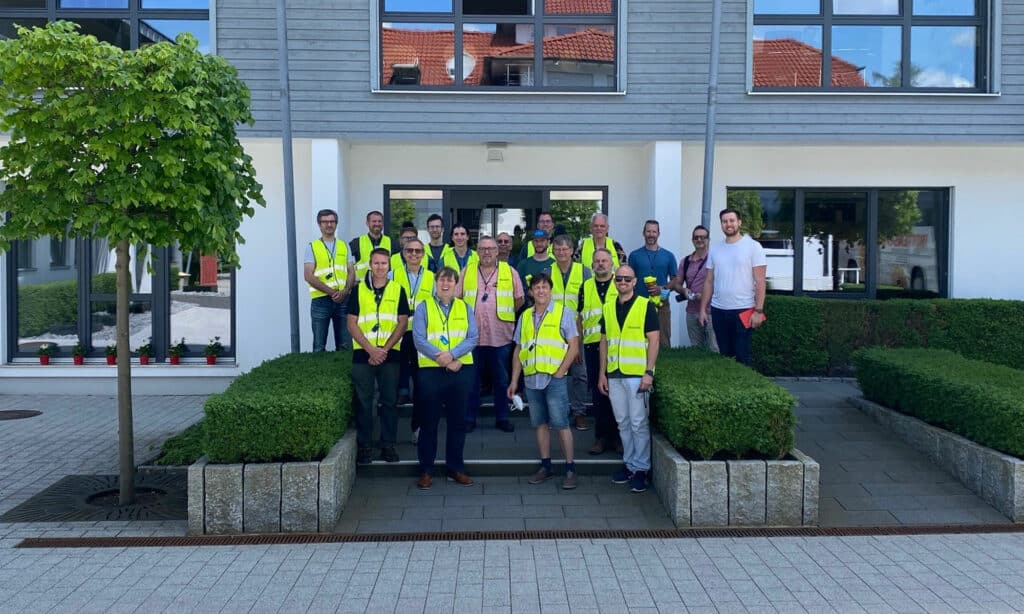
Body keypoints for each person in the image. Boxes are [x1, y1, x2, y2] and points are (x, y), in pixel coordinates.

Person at [508, 272, 580, 490]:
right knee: (539, 423)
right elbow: (518, 350)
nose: (540, 291)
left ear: (550, 290)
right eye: (536, 287)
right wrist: (514, 381)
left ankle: (570, 469)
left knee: (561, 423)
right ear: (531, 292)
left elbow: (573, 346)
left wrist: (561, 372)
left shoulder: (563, 312)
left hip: (554, 379)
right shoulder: (525, 316)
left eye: (544, 287)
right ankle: (546, 466)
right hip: (532, 380)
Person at [412, 266, 477, 489]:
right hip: (431, 372)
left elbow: (472, 337)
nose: (446, 284)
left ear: (456, 285)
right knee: (428, 423)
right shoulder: (423, 307)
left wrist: (453, 356)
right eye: (442, 280)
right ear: (436, 283)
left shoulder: (465, 307)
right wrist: (444, 358)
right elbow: (419, 339)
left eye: (450, 281)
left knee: (458, 423)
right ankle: (426, 470)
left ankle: (455, 468)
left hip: (460, 371)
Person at [598, 264, 659, 493]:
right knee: (623, 423)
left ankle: (641, 469)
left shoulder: (645, 306)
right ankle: (630, 464)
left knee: (638, 423)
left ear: (634, 282)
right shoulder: (608, 307)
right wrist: (601, 373)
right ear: (615, 281)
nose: (622, 282)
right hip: (614, 374)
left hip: (637, 376)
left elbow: (654, 340)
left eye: (627, 279)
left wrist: (649, 372)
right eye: (619, 279)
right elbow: (604, 341)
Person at [347, 248, 411, 465]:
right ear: (370, 265)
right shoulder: (358, 290)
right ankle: (365, 447)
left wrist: (383, 349)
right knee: (364, 403)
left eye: (384, 263)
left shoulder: (397, 289)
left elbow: (402, 322)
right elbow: (351, 323)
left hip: (390, 355)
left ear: (389, 266)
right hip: (362, 355)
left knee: (389, 402)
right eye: (376, 263)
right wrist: (371, 350)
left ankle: (388, 446)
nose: (380, 267)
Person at [458, 235, 525, 433]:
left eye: (490, 248)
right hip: (472, 337)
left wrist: (502, 313)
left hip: (501, 336)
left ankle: (502, 417)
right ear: (477, 251)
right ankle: (470, 418)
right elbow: (457, 298)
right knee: (472, 381)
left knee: (501, 380)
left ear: (497, 251)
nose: (486, 252)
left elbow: (519, 300)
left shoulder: (510, 271)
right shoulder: (467, 271)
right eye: (483, 248)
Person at [699, 209, 767, 366]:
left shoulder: (753, 247)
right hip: (718, 310)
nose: (728, 224)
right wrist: (703, 309)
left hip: (744, 310)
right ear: (721, 224)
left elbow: (760, 281)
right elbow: (709, 281)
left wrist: (759, 310)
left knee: (742, 356)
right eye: (724, 221)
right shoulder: (715, 249)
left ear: (739, 222)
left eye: (731, 220)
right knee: (725, 356)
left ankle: (744, 389)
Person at [578, 248, 621, 456]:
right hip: (592, 346)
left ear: (612, 263)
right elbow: (580, 317)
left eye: (605, 260)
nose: (601, 264)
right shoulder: (585, 286)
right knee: (598, 393)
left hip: (617, 346)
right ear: (592, 265)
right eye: (597, 261)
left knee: (617, 393)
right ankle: (601, 438)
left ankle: (618, 438)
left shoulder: (621, 283)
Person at [390, 237, 434, 440]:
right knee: (394, 379)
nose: (414, 255)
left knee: (421, 381)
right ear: (404, 253)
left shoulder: (432, 278)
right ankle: (390, 434)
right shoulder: (393, 275)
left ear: (423, 255)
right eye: (410, 251)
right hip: (397, 334)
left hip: (421, 335)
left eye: (418, 251)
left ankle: (418, 427)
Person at [549, 234, 591, 431]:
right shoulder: (547, 272)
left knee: (579, 373)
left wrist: (579, 340)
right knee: (554, 372)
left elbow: (585, 306)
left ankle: (579, 412)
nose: (561, 253)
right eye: (557, 250)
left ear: (572, 251)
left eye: (565, 249)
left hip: (576, 330)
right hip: (553, 332)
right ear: (553, 251)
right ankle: (557, 412)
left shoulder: (584, 272)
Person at [303, 208, 355, 352]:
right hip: (321, 299)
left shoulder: (344, 246)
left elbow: (351, 271)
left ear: (336, 224)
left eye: (332, 221)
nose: (329, 225)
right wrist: (332, 292)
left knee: (345, 345)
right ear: (319, 225)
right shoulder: (312, 247)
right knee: (319, 346)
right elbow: (308, 275)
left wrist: (345, 291)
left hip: (343, 299)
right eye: (325, 222)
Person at [627, 220, 677, 348]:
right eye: (648, 231)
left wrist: (662, 288)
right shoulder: (634, 255)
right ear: (643, 233)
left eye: (654, 231)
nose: (651, 234)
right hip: (639, 302)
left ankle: (666, 364)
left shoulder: (668, 256)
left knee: (663, 338)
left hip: (662, 302)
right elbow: (629, 279)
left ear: (658, 234)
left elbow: (675, 279)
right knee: (639, 337)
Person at [670, 225, 717, 351]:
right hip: (691, 312)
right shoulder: (685, 261)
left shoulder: (715, 259)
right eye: (696, 237)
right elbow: (676, 284)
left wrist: (705, 296)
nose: (699, 240)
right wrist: (684, 291)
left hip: (712, 311)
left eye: (703, 237)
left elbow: (721, 284)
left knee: (714, 349)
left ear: (708, 240)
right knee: (696, 351)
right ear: (692, 240)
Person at [350, 210, 392, 280]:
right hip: (362, 287)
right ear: (367, 223)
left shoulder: (392, 243)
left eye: (379, 221)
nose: (377, 224)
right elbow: (348, 266)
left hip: (386, 287)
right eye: (374, 221)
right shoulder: (356, 243)